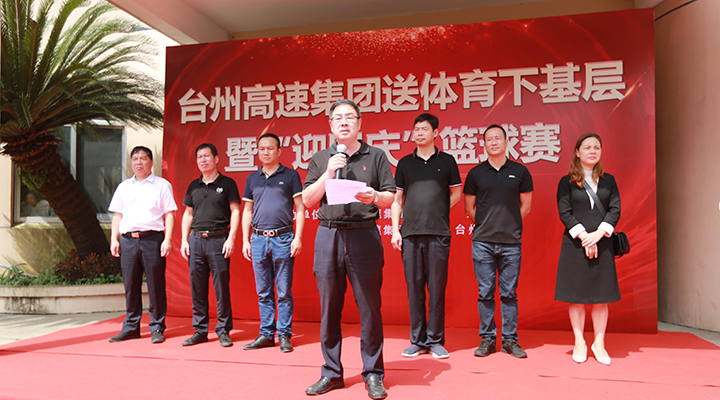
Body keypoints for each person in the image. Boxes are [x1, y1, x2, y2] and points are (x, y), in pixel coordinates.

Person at [303, 99, 395, 399]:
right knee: (329, 307)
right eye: (338, 118)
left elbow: (390, 197)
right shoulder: (321, 158)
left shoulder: (376, 155)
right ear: (330, 124)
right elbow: (308, 200)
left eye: (349, 117)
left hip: (364, 235)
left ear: (359, 122)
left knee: (369, 307)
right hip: (328, 236)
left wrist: (374, 196)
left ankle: (373, 373)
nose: (344, 122)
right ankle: (331, 373)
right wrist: (327, 174)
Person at [391, 113, 462, 359]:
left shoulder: (447, 161)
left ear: (435, 133)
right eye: (416, 129)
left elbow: (456, 193)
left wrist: (440, 211)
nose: (419, 133)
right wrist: (395, 229)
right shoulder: (404, 163)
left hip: (438, 232)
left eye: (424, 129)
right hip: (410, 233)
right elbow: (397, 199)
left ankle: (436, 340)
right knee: (414, 289)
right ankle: (417, 340)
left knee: (437, 288)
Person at [463, 124, 533, 359]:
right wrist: (487, 224)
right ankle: (488, 339)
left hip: (511, 242)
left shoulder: (520, 171)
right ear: (484, 144)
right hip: (482, 242)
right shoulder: (476, 173)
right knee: (485, 292)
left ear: (506, 142)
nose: (493, 142)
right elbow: (469, 208)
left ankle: (510, 340)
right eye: (489, 139)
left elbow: (525, 207)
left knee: (509, 293)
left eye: (498, 138)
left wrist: (508, 224)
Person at [555, 133, 621, 366]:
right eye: (587, 147)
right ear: (577, 152)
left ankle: (599, 343)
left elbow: (615, 210)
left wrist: (597, 236)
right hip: (575, 244)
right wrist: (585, 237)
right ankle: (579, 341)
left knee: (601, 297)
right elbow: (565, 212)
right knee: (577, 297)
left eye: (596, 147)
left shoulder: (609, 180)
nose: (592, 151)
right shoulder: (566, 182)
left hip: (602, 243)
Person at [241, 133, 305, 353]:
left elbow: (300, 208)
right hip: (258, 239)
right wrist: (245, 239)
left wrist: (298, 237)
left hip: (283, 238)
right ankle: (266, 334)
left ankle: (284, 334)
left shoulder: (290, 175)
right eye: (262, 149)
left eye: (270, 148)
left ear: (279, 151)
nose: (266, 152)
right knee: (263, 292)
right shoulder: (253, 178)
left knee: (284, 291)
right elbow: (247, 210)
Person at [108, 146, 177, 344]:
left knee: (155, 285)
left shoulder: (162, 185)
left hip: (152, 239)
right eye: (135, 159)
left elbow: (169, 214)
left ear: (151, 162)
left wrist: (168, 239)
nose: (138, 162)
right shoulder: (124, 187)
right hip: (128, 240)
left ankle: (157, 327)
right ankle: (131, 327)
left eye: (143, 158)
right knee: (131, 285)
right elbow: (117, 215)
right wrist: (114, 239)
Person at [180, 143, 241, 348]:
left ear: (216, 159)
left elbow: (236, 211)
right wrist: (184, 240)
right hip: (196, 241)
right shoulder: (194, 186)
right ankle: (200, 330)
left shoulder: (228, 183)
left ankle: (223, 330)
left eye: (206, 156)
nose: (203, 160)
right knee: (197, 288)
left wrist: (231, 238)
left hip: (218, 240)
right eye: (199, 157)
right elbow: (188, 214)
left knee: (221, 287)